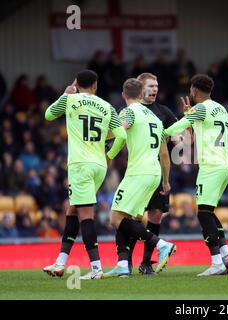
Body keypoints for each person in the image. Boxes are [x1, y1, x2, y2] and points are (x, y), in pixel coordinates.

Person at [43, 70, 127, 279]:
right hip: (99, 166)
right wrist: (109, 155)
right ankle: (60, 263)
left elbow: (48, 115)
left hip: (80, 165)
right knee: (73, 211)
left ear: (77, 84)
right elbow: (121, 135)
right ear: (96, 85)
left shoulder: (70, 99)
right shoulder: (107, 106)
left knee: (85, 215)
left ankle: (96, 268)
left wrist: (66, 93)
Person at [103, 78, 176, 278]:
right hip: (154, 174)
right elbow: (164, 154)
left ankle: (161, 245)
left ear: (123, 94)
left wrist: (102, 142)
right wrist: (166, 180)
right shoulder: (154, 117)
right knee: (129, 217)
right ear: (141, 93)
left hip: (138, 173)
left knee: (115, 218)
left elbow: (119, 133)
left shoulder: (128, 112)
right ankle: (123, 264)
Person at [165, 74, 228, 276]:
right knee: (209, 211)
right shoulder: (220, 109)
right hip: (225, 166)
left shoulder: (200, 109)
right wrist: (190, 119)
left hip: (211, 167)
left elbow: (177, 128)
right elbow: (192, 138)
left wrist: (162, 132)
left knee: (203, 214)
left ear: (194, 92)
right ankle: (227, 256)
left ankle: (216, 263)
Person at [123, 73, 182, 276]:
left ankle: (146, 262)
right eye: (150, 85)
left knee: (155, 215)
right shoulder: (131, 111)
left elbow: (180, 139)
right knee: (132, 217)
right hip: (138, 171)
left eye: (156, 85)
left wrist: (186, 127)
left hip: (157, 172)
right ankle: (126, 262)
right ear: (140, 88)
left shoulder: (163, 112)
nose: (155, 89)